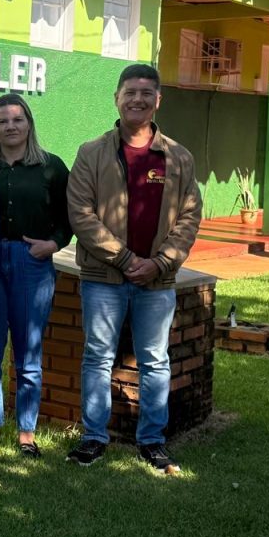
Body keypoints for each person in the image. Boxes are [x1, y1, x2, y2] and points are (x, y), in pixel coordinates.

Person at [66, 64, 201, 473]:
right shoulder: (91, 152)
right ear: (117, 98)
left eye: (146, 93)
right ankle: (93, 438)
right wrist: (125, 260)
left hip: (157, 281)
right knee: (97, 357)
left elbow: (189, 217)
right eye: (130, 92)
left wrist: (160, 263)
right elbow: (81, 213)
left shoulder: (178, 157)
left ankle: (152, 442)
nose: (137, 99)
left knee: (155, 360)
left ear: (158, 100)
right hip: (104, 278)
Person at [0, 94, 72, 458]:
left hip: (32, 263)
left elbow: (69, 217)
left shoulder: (51, 167)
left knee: (28, 352)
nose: (11, 126)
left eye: (17, 119)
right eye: (2, 121)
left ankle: (27, 432)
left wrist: (53, 243)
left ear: (29, 123)